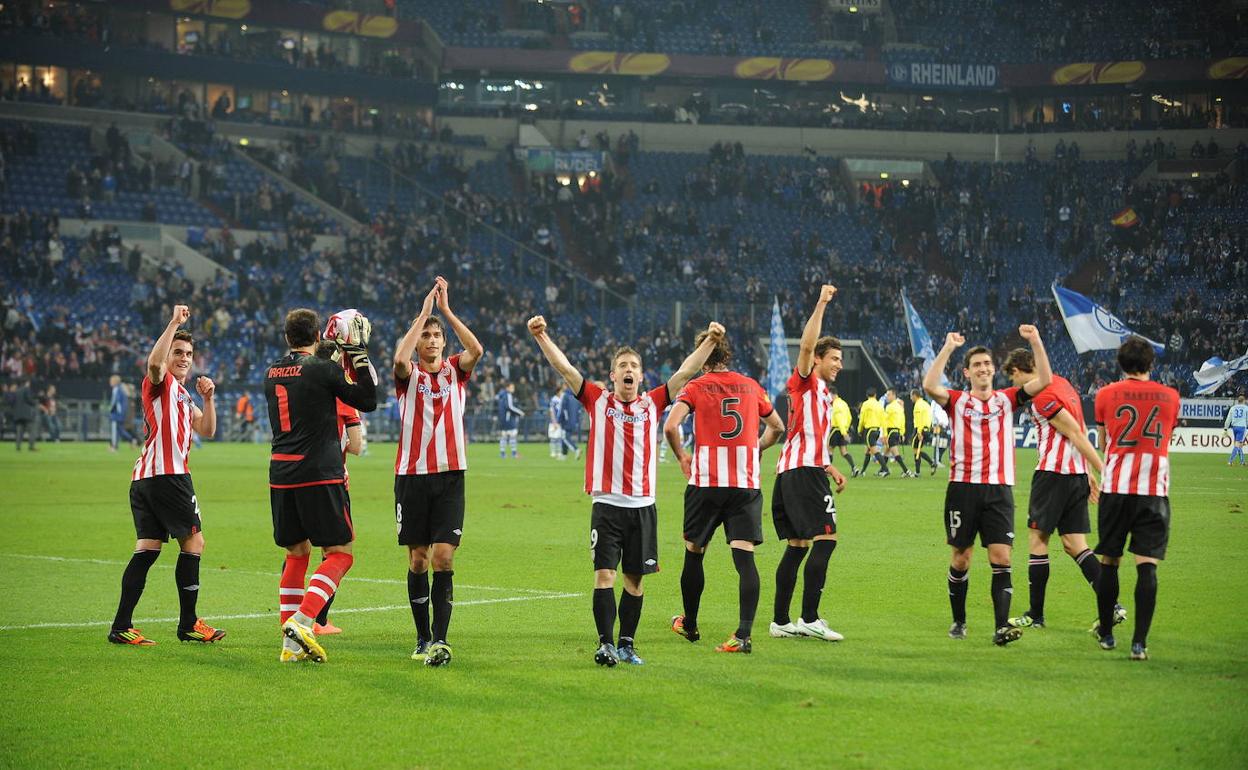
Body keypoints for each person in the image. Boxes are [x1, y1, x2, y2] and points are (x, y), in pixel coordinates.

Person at [528, 315, 724, 666]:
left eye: (634, 365)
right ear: (613, 376)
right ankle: (605, 644)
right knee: (605, 575)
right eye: (622, 365)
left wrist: (709, 340)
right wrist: (541, 336)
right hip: (606, 506)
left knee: (635, 581)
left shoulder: (654, 403)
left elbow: (685, 372)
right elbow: (565, 367)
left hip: (643, 506)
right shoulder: (596, 400)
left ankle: (627, 644)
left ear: (641, 375)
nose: (629, 369)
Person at [922, 325, 1052, 646]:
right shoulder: (956, 401)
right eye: (977, 365)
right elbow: (928, 384)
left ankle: (1001, 627)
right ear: (967, 373)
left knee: (1002, 557)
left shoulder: (1008, 399)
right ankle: (959, 620)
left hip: (999, 490)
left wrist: (1035, 341)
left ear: (994, 370)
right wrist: (948, 347)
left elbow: (1046, 380)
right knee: (961, 558)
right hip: (962, 489)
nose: (983, 369)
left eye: (987, 364)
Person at [108, 305, 224, 646]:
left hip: (145, 479)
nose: (184, 357)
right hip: (168, 477)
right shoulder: (159, 383)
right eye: (178, 352)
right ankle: (188, 623)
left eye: (188, 353)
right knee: (194, 542)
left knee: (147, 548)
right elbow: (154, 365)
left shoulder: (185, 395)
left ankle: (121, 626)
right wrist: (174, 323)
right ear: (169, 352)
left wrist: (209, 398)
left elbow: (208, 428)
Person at [665, 330, 786, 654]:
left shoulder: (695, 386)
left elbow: (670, 426)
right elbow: (777, 427)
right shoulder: (751, 386)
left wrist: (681, 457)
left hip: (706, 482)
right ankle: (743, 635)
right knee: (745, 558)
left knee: (694, 551)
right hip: (744, 485)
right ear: (727, 354)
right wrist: (756, 447)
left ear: (702, 355)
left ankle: (689, 625)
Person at [268, 307, 377, 663]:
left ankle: (289, 644)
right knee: (340, 553)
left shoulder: (271, 372)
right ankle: (304, 620)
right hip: (319, 472)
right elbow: (368, 399)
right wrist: (357, 355)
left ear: (287, 338)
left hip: (281, 474)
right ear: (317, 336)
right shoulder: (321, 369)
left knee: (296, 553)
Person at [393, 277, 484, 667]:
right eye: (426, 335)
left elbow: (476, 349)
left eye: (435, 336)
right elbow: (399, 359)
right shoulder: (408, 375)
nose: (430, 340)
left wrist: (445, 311)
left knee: (444, 557)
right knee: (418, 559)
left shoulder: (454, 372)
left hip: (450, 476)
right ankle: (421, 636)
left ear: (443, 343)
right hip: (412, 477)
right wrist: (423, 314)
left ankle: (441, 641)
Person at [1001, 349, 1120, 631]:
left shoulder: (1042, 396)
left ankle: (1035, 615)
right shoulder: (1063, 383)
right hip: (1075, 475)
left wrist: (1103, 471)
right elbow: (1077, 430)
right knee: (1075, 545)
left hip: (1053, 476)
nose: (1015, 384)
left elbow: (1075, 433)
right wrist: (1087, 472)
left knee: (1037, 542)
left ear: (1021, 368)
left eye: (1013, 376)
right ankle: (1112, 606)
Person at [1092, 336, 1181, 661]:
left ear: (1120, 363)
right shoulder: (1171, 397)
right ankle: (1139, 643)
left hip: (1116, 488)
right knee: (1147, 565)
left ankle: (1107, 634)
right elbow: (1167, 438)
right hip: (1153, 491)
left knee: (1109, 561)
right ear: (1151, 364)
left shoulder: (1105, 394)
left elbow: (1103, 441)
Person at [770, 284, 849, 643]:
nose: (839, 364)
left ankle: (781, 621)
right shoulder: (804, 382)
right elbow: (804, 345)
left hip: (796, 471)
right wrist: (821, 302)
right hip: (801, 474)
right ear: (817, 359)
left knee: (798, 546)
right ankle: (810, 618)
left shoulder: (822, 395)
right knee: (826, 539)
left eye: (841, 359)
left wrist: (828, 466)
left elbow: (809, 438)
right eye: (834, 358)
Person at [307, 335, 367, 637]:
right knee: (338, 553)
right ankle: (316, 619)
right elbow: (356, 446)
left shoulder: (306, 388)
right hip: (331, 479)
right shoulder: (342, 397)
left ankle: (294, 617)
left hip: (295, 474)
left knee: (298, 551)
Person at [882, 387, 913, 477]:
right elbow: (902, 420)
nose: (887, 397)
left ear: (893, 395)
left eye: (888, 395)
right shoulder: (900, 407)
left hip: (891, 431)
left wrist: (884, 434)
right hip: (897, 431)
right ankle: (882, 470)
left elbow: (885, 421)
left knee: (895, 453)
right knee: (886, 451)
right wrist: (902, 433)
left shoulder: (889, 407)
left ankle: (906, 471)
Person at [827, 385, 857, 476]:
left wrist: (843, 432)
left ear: (832, 394)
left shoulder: (835, 404)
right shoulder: (844, 403)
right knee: (844, 452)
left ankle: (827, 471)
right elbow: (849, 417)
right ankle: (854, 468)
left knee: (828, 449)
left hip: (837, 429)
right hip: (844, 429)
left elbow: (839, 418)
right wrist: (846, 429)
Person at [856, 387, 884, 477]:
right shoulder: (879, 404)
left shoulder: (865, 404)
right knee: (867, 451)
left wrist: (859, 430)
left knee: (874, 450)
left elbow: (862, 418)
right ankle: (863, 471)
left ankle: (885, 469)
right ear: (875, 395)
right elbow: (883, 418)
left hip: (869, 430)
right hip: (877, 429)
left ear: (867, 395)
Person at [909, 389, 936, 475]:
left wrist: (919, 432)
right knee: (918, 449)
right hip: (927, 429)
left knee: (915, 449)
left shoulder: (918, 405)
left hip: (921, 429)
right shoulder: (926, 404)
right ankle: (928, 465)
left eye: (911, 396)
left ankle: (928, 465)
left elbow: (919, 420)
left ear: (914, 395)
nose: (910, 398)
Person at [108, 374, 136, 452]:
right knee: (120, 430)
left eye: (111, 380)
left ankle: (114, 447)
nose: (110, 382)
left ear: (114, 382)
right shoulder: (121, 390)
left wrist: (110, 409)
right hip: (121, 414)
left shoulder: (116, 389)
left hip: (116, 414)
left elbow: (115, 402)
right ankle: (132, 440)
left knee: (115, 431)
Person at [496, 382, 524, 459]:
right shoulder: (508, 395)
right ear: (507, 388)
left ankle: (502, 453)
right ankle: (514, 453)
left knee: (504, 436)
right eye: (512, 387)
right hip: (508, 419)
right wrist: (520, 412)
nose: (513, 389)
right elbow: (510, 407)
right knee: (513, 436)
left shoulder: (501, 395)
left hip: (503, 419)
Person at [12, 378, 36, 451]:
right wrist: (34, 403)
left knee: (19, 431)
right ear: (27, 382)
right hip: (26, 414)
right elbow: (29, 399)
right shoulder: (26, 389)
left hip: (18, 414)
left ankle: (18, 447)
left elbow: (13, 402)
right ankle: (31, 446)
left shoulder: (16, 391)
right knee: (32, 430)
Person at [1224, 394, 1248, 466]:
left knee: (1239, 444)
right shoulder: (1246, 408)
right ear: (1244, 401)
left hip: (1234, 427)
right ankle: (1230, 461)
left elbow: (1228, 419)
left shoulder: (1233, 408)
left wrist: (1225, 428)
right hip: (1242, 427)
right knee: (1238, 444)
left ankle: (1242, 462)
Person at [548, 383, 565, 458]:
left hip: (560, 421)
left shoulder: (562, 399)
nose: (562, 393)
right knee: (553, 438)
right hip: (554, 422)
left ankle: (558, 452)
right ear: (558, 392)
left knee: (559, 437)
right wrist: (554, 422)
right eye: (561, 391)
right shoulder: (554, 399)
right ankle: (553, 452)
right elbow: (551, 411)